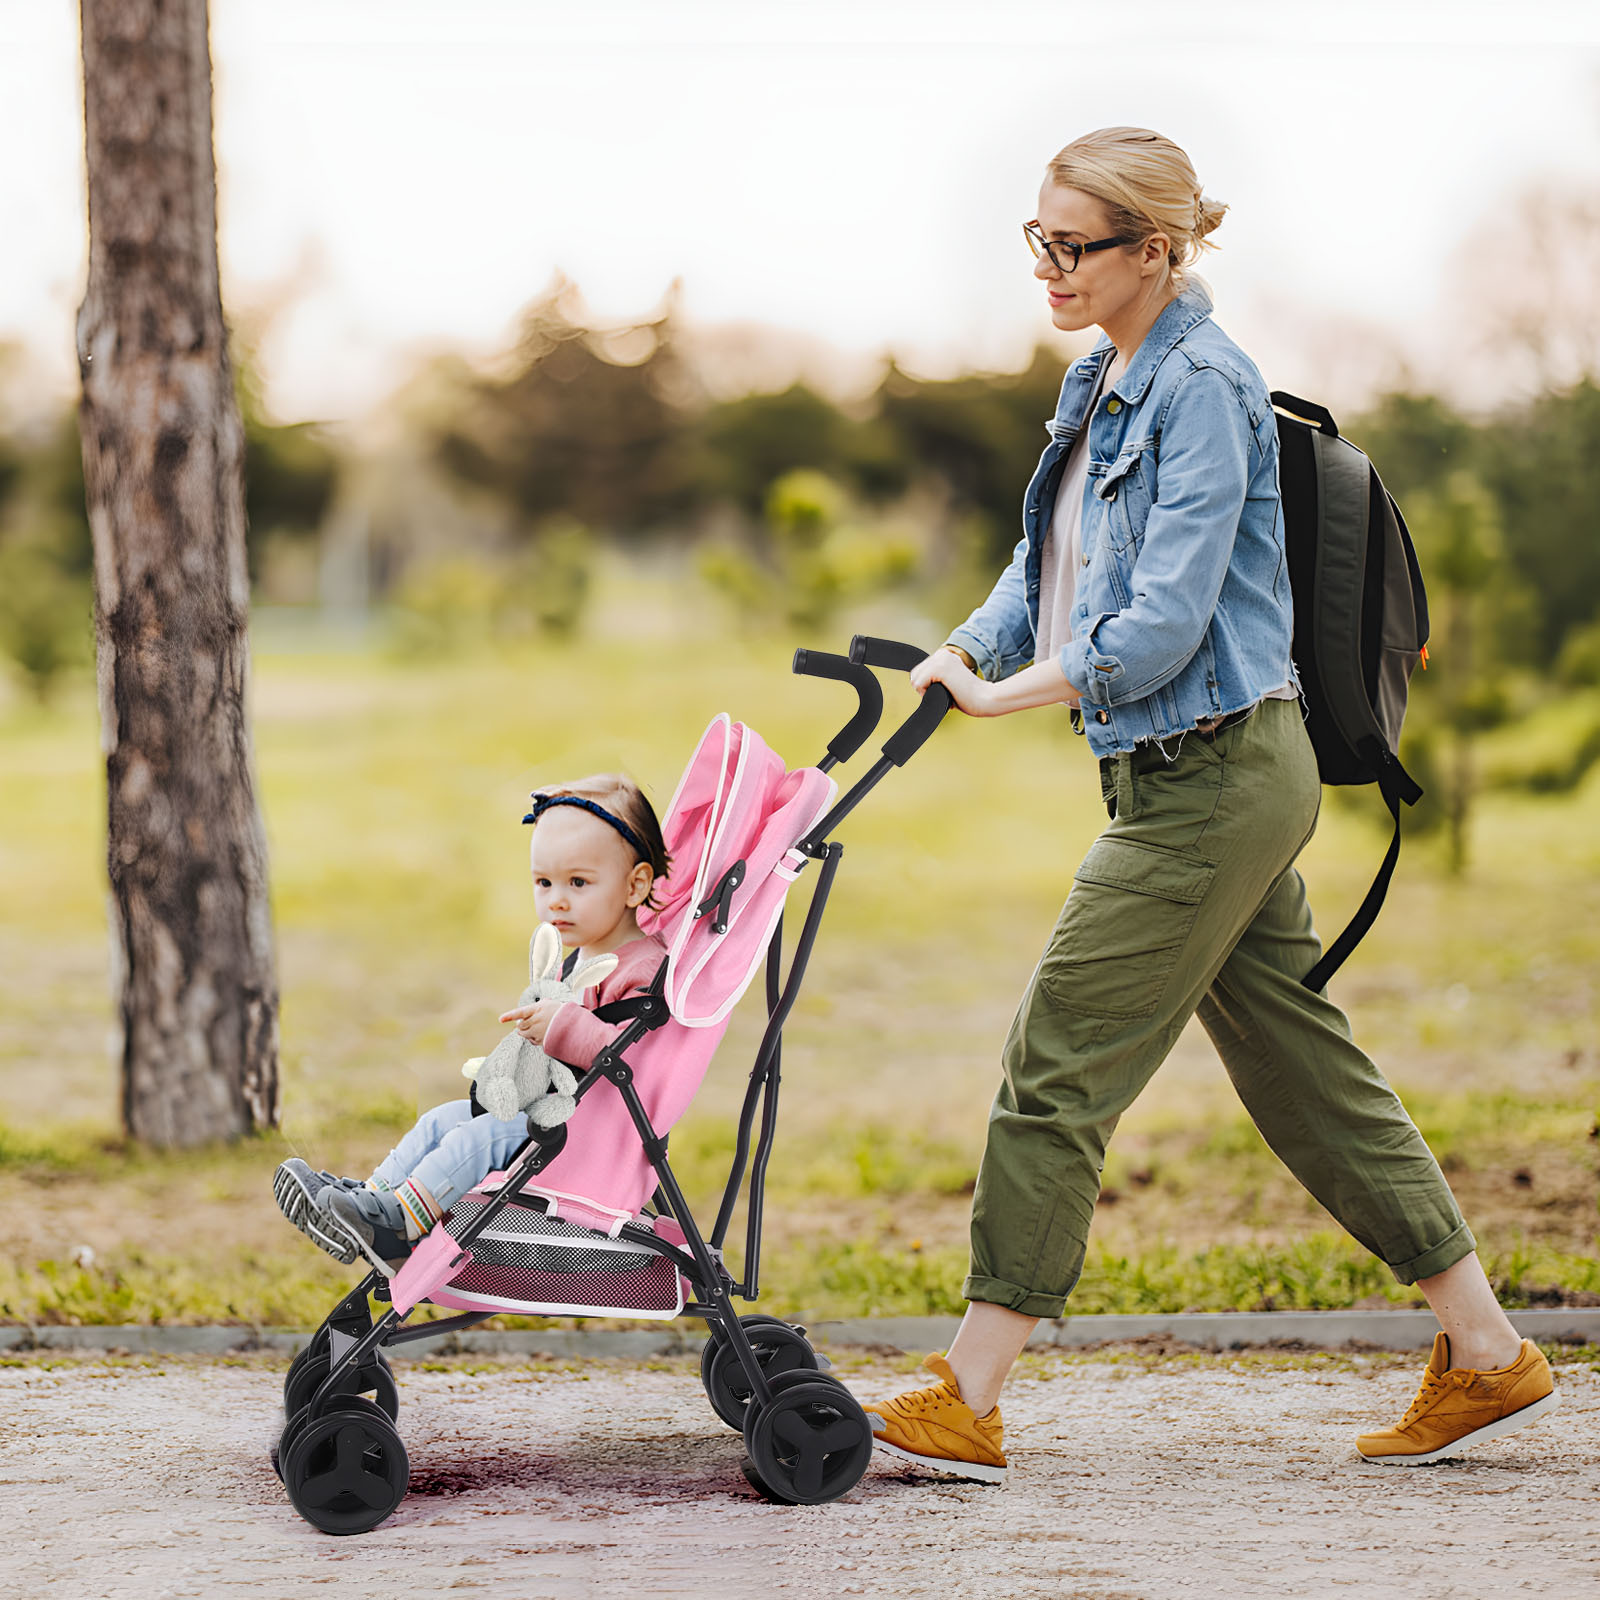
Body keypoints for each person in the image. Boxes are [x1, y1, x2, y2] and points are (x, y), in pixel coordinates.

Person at [861, 127, 1556, 1483]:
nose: (1051, 270)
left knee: (1055, 1061)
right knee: (1309, 1077)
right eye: (1038, 242)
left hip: (1219, 776)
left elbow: (1164, 621)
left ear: (1160, 247)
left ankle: (972, 1390)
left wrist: (1022, 695)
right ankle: (1486, 1355)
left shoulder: (1205, 387)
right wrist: (967, 654)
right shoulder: (1100, 381)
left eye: (1079, 246)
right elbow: (1043, 560)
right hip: (1190, 774)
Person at [272, 774, 671, 1271]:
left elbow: (634, 1061)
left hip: (591, 1144)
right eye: (543, 883)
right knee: (441, 1119)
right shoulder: (584, 958)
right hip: (552, 1120)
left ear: (635, 884)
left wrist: (561, 1026)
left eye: (578, 883)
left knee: (476, 1139)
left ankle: (395, 1227)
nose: (557, 901)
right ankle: (372, 1199)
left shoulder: (645, 969)